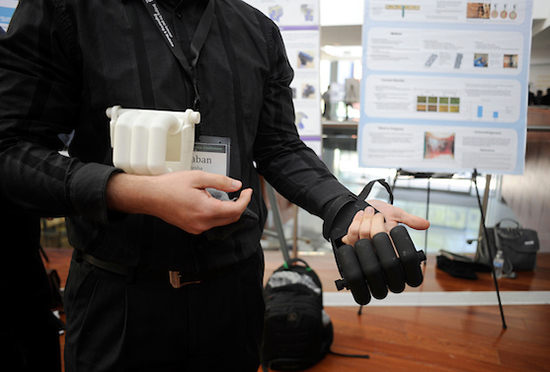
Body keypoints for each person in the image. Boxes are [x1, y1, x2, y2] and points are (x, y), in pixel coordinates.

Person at [0, 1, 429, 371]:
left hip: (234, 298)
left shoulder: (257, 30)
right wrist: (131, 192)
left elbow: (279, 146)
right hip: (120, 302)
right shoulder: (69, 10)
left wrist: (346, 208)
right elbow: (10, 151)